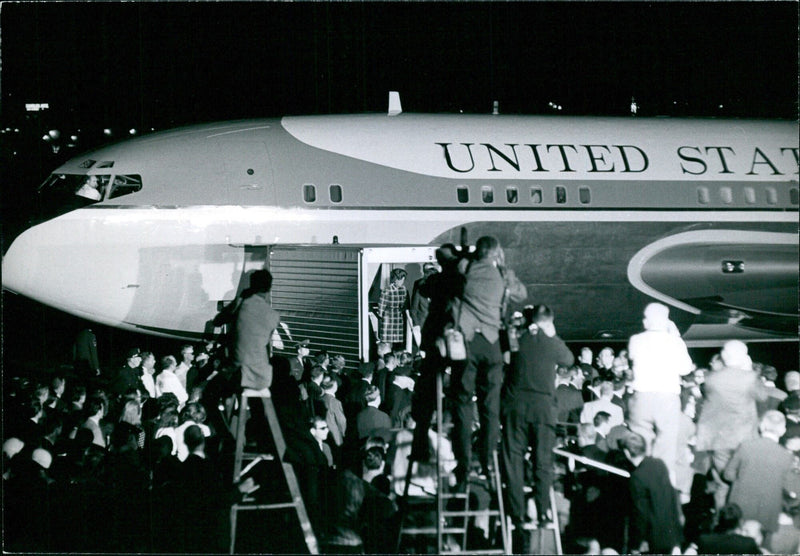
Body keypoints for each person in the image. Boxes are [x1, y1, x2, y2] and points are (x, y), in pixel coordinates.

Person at [451, 235, 527, 484]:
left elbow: (453, 266)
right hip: (492, 344)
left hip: (469, 342)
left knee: (463, 403)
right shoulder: (504, 275)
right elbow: (521, 294)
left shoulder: (466, 268)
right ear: (496, 253)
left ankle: (462, 464)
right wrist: (503, 266)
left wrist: (466, 256)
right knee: (490, 406)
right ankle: (486, 461)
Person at [501, 304, 574, 538]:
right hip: (543, 410)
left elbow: (506, 358)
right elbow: (569, 359)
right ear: (548, 321)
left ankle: (517, 513)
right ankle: (543, 512)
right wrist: (552, 334)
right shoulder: (552, 343)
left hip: (515, 407)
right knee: (543, 463)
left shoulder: (518, 339)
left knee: (514, 461)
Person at [626, 302, 694, 487]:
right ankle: (661, 486)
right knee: (666, 446)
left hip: (642, 397)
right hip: (666, 398)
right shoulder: (674, 341)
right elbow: (686, 368)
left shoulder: (636, 340)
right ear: (666, 320)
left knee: (640, 444)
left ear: (647, 321)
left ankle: (641, 480)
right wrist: (675, 335)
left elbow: (634, 358)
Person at [695, 340, 768, 510]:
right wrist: (749, 369)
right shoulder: (749, 377)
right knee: (744, 480)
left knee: (722, 483)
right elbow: (762, 396)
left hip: (718, 437)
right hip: (744, 438)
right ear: (744, 356)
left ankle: (722, 521)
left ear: (724, 356)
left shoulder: (711, 378)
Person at [724, 410, 795, 543]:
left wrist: (743, 481)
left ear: (761, 426)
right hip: (767, 513)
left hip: (740, 509)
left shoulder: (746, 446)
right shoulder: (786, 457)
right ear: (783, 431)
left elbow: (728, 474)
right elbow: (790, 489)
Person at [621, 432, 683, 555]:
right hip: (672, 532)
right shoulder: (659, 464)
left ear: (627, 452)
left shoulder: (636, 477)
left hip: (654, 538)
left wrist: (636, 543)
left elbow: (640, 513)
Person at [377, 268, 408, 348]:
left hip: (398, 317)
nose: (402, 282)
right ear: (395, 279)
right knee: (387, 343)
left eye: (403, 280)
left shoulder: (404, 289)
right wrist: (381, 317)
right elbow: (381, 308)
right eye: (400, 280)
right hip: (388, 318)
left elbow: (404, 304)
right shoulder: (387, 290)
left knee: (398, 343)